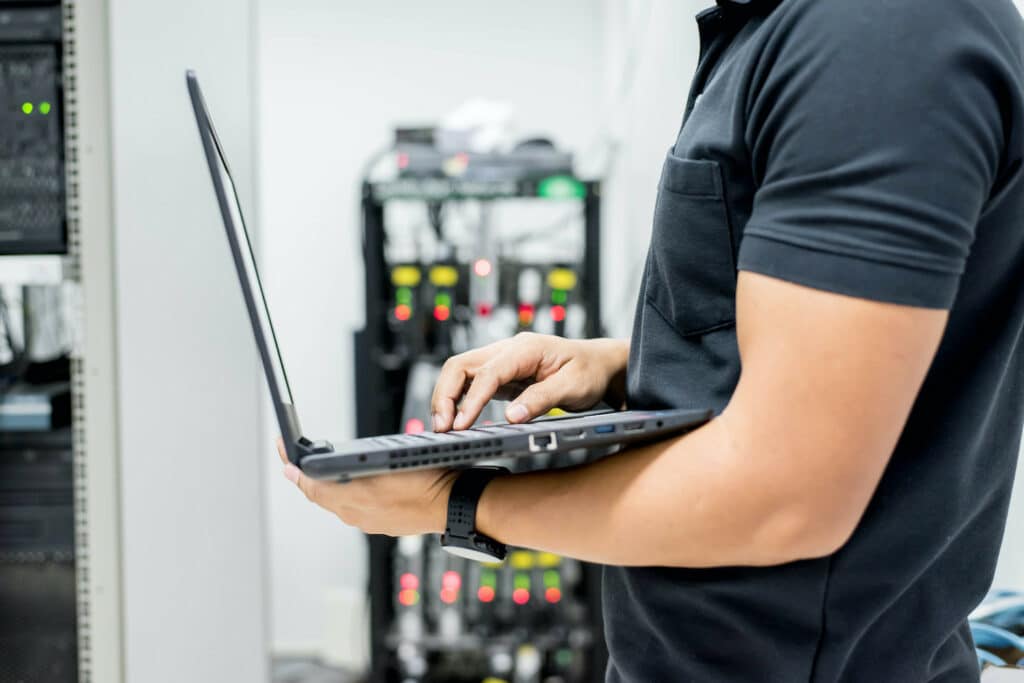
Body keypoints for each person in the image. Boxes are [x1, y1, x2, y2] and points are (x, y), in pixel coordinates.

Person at [278, 0, 1024, 680]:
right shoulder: (782, 31)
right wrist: (617, 363)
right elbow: (824, 352)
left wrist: (462, 501)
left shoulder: (879, 38)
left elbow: (786, 494)